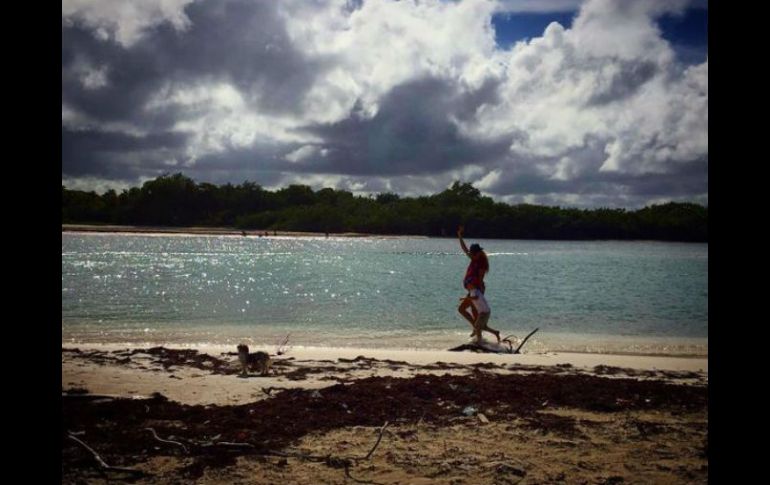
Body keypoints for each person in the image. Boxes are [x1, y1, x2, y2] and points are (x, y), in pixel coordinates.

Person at [457, 225, 489, 331]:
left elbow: (480, 278)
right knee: (472, 311)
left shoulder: (482, 263)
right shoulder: (474, 258)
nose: (471, 255)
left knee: (465, 310)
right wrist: (459, 235)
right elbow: (464, 249)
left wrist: (478, 293)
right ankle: (477, 330)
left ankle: (477, 330)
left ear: (478, 253)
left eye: (473, 253)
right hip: (472, 289)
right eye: (472, 254)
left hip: (477, 289)